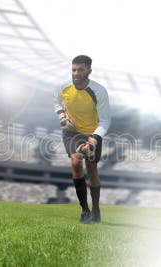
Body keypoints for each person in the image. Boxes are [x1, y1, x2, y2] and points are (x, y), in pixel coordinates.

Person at [53, 55, 110, 223]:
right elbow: (56, 102)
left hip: (93, 133)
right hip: (72, 133)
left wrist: (93, 140)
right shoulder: (63, 87)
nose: (76, 73)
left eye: (80, 70)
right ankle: (85, 211)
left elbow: (105, 121)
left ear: (89, 71)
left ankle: (96, 209)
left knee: (92, 169)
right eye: (74, 70)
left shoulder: (99, 91)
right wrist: (62, 116)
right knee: (76, 162)